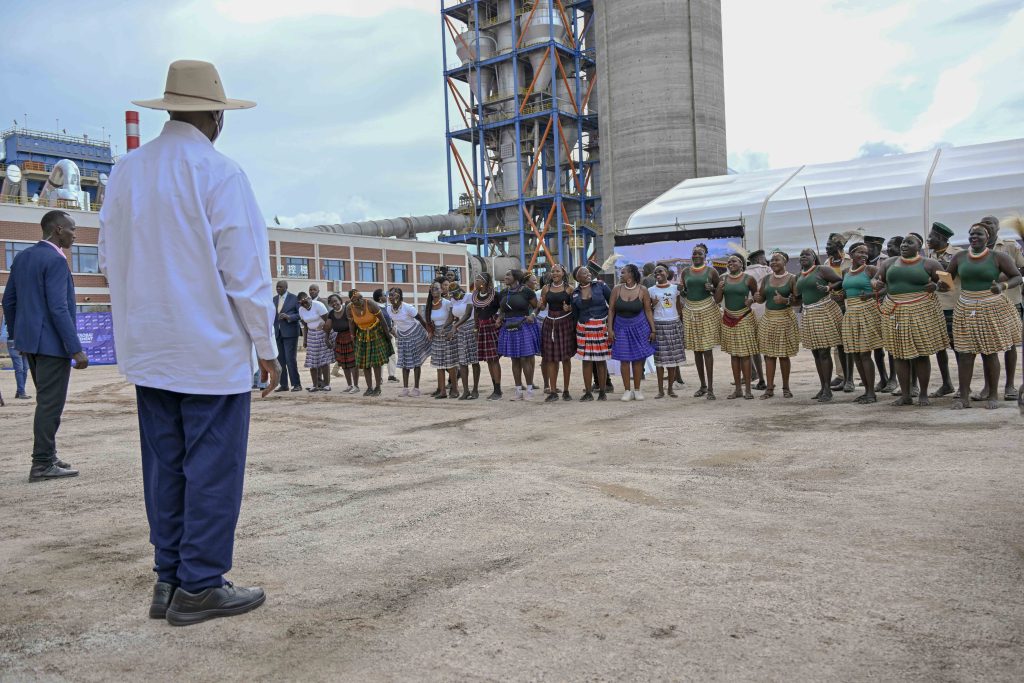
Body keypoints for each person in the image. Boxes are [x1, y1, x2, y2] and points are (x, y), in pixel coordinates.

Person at [98, 60, 279, 625]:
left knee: (165, 467)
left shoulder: (125, 172)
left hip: (150, 351)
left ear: (170, 109)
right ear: (217, 117)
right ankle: (200, 585)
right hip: (209, 352)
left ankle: (168, 579)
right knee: (212, 469)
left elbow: (106, 259)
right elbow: (245, 270)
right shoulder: (219, 172)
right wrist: (266, 346)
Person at [2, 209, 89, 481]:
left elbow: (9, 301)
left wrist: (19, 336)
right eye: (72, 229)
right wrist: (75, 347)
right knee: (50, 405)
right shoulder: (55, 260)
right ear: (58, 229)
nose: (76, 234)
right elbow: (59, 307)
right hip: (52, 346)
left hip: (31, 345)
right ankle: (41, 463)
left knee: (45, 401)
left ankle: (48, 456)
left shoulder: (24, 257)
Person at [942, 223, 1023, 410]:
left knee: (989, 352)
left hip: (990, 305)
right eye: (971, 234)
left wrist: (1002, 287)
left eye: (978, 234)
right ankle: (963, 397)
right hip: (965, 307)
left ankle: (993, 395)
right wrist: (942, 285)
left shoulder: (998, 256)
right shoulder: (960, 257)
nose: (974, 237)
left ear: (988, 238)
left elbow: (1016, 276)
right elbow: (948, 278)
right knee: (965, 354)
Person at [873, 233, 947, 406]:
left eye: (909, 242)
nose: (904, 245)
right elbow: (876, 279)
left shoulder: (929, 263)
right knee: (899, 354)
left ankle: (923, 394)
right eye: (903, 243)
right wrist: (876, 284)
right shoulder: (889, 263)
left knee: (921, 354)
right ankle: (905, 394)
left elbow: (946, 285)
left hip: (920, 310)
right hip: (894, 311)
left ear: (919, 246)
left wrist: (936, 286)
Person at [974, 216, 1024, 402]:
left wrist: (1001, 276)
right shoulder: (976, 249)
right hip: (985, 303)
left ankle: (1010, 385)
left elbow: (1021, 269)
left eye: (990, 223)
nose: (987, 226)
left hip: (1009, 300)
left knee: (1010, 344)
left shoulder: (1009, 245)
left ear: (997, 228)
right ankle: (988, 386)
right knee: (988, 345)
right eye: (983, 223)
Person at [834, 243, 882, 404]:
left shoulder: (871, 270)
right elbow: (846, 292)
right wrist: (841, 297)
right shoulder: (846, 272)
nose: (864, 255)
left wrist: (870, 295)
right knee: (855, 353)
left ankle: (871, 393)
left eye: (866, 253)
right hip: (851, 312)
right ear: (851, 254)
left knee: (864, 353)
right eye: (860, 252)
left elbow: (885, 288)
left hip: (867, 312)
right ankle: (867, 391)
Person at [793, 248, 844, 402]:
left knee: (823, 351)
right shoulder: (798, 276)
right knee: (816, 352)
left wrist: (829, 288)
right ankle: (823, 387)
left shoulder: (822, 270)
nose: (803, 256)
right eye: (801, 255)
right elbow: (799, 297)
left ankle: (828, 390)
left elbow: (840, 281)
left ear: (814, 258)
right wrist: (788, 300)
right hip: (808, 313)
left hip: (824, 310)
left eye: (807, 254)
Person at [607, 263, 656, 401]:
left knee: (638, 360)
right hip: (621, 327)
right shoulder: (616, 289)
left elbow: (647, 310)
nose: (620, 275)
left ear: (631, 275)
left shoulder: (642, 290)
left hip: (640, 327)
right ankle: (627, 390)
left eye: (623, 272)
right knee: (624, 359)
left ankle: (637, 389)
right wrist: (609, 329)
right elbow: (611, 310)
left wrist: (653, 329)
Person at [754, 251, 799, 399]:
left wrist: (785, 301)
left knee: (784, 355)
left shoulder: (792, 278)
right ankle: (769, 388)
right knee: (769, 355)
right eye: (771, 260)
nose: (773, 263)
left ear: (785, 262)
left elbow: (798, 301)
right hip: (769, 319)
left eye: (776, 260)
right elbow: (761, 298)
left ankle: (786, 387)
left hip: (785, 319)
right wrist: (757, 297)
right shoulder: (766, 279)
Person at [715, 254, 759, 400]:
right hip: (728, 318)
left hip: (744, 317)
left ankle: (748, 390)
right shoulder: (723, 279)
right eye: (728, 262)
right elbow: (717, 300)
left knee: (745, 355)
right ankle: (738, 390)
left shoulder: (748, 279)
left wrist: (751, 300)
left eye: (733, 261)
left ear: (741, 263)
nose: (730, 263)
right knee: (734, 355)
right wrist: (719, 289)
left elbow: (757, 295)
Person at [680, 244, 721, 400]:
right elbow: (685, 292)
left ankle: (710, 388)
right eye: (694, 253)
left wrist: (712, 288)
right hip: (691, 311)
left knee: (707, 350)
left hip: (707, 310)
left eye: (700, 253)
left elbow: (719, 291)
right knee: (697, 350)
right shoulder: (685, 272)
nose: (696, 255)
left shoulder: (712, 271)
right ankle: (702, 386)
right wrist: (682, 291)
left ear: (705, 256)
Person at [926, 222, 961, 397]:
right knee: (939, 348)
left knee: (958, 347)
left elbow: (951, 281)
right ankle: (947, 383)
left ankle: (964, 385)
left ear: (941, 238)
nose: (928, 240)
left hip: (952, 307)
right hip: (933, 308)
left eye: (931, 237)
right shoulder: (927, 256)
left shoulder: (958, 254)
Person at [496, 269, 540, 401]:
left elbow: (537, 307)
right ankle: (518, 391)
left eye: (508, 275)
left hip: (523, 325)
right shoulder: (504, 292)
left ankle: (530, 391)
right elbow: (503, 310)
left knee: (525, 358)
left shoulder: (526, 291)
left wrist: (532, 315)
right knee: (514, 359)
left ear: (516, 278)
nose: (505, 277)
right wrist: (499, 319)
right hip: (508, 326)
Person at [572, 265, 612, 401]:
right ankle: (588, 392)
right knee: (586, 361)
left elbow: (612, 304)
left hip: (601, 326)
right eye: (584, 273)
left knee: (601, 360)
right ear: (578, 278)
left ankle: (602, 392)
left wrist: (611, 326)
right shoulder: (575, 293)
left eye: (588, 272)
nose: (588, 274)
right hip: (583, 328)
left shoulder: (601, 286)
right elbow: (575, 314)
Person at [539, 263, 576, 402]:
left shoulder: (569, 289)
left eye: (557, 271)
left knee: (566, 358)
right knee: (550, 358)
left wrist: (570, 308)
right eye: (553, 271)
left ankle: (566, 391)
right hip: (550, 324)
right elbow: (543, 306)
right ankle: (553, 391)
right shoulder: (545, 288)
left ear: (563, 273)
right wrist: (540, 305)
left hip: (565, 324)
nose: (554, 273)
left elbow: (575, 307)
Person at [346, 289, 393, 396]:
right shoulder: (349, 308)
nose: (358, 302)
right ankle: (369, 388)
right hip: (361, 335)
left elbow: (382, 320)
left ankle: (378, 387)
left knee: (376, 362)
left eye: (359, 300)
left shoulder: (370, 303)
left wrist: (387, 335)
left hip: (376, 332)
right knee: (365, 363)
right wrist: (352, 336)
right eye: (355, 301)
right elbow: (351, 324)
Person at [648, 265, 686, 398]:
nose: (658, 273)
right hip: (658, 325)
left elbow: (679, 308)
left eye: (660, 271)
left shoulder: (675, 289)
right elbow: (648, 311)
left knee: (672, 360)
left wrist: (681, 324)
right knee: (659, 360)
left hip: (674, 324)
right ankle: (660, 390)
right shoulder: (650, 290)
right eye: (655, 272)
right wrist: (652, 304)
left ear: (667, 273)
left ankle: (670, 389)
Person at [387, 288, 430, 397]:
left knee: (416, 362)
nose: (391, 297)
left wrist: (430, 333)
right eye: (389, 295)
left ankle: (416, 388)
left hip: (415, 334)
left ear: (399, 296)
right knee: (404, 362)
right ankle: (405, 388)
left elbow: (421, 319)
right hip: (402, 337)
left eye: (393, 295)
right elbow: (390, 323)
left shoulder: (407, 308)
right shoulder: (388, 309)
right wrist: (393, 332)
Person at [471, 273, 503, 400]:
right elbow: (476, 313)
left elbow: (503, 309)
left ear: (484, 282)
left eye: (478, 279)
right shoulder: (476, 296)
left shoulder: (495, 295)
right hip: (482, 328)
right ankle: (495, 388)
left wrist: (499, 319)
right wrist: (475, 328)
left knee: (494, 359)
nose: (476, 281)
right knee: (489, 360)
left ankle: (498, 390)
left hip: (493, 327)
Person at [744, 249, 771, 391]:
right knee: (768, 348)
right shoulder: (768, 270)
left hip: (751, 311)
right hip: (767, 311)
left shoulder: (745, 274)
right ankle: (769, 380)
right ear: (759, 260)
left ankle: (761, 379)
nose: (765, 260)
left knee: (755, 349)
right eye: (763, 258)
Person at [426, 280, 458, 398]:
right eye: (433, 288)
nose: (435, 290)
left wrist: (445, 328)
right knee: (439, 364)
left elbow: (452, 317)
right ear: (430, 290)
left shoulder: (446, 303)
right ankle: (442, 391)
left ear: (441, 290)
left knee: (450, 364)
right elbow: (430, 321)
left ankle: (455, 390)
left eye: (437, 288)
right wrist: (430, 331)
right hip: (436, 337)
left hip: (448, 334)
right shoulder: (429, 305)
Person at [450, 284, 481, 399]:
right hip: (460, 331)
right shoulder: (453, 300)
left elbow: (468, 314)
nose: (454, 295)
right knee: (462, 361)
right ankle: (466, 390)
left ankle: (475, 389)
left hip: (472, 328)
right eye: (451, 293)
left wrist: (455, 326)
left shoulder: (469, 296)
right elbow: (452, 317)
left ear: (460, 290)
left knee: (474, 360)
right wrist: (446, 327)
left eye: (455, 292)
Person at [324, 294, 360, 393]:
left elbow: (354, 323)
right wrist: (326, 339)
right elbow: (327, 327)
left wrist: (355, 337)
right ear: (330, 304)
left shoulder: (347, 310)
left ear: (340, 300)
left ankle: (356, 386)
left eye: (336, 301)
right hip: (339, 338)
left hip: (351, 337)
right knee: (344, 363)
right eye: (332, 302)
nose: (334, 303)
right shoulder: (331, 314)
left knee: (353, 363)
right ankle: (349, 385)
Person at [297, 292, 332, 392]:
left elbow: (328, 321)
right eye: (302, 303)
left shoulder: (319, 305)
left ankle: (326, 385)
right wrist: (305, 340)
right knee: (312, 361)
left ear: (309, 298)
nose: (304, 304)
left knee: (324, 360)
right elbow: (304, 326)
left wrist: (327, 337)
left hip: (322, 332)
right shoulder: (301, 310)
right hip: (311, 335)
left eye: (305, 302)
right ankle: (315, 385)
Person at [273, 281, 302, 392]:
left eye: (280, 287)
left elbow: (300, 314)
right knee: (280, 360)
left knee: (290, 359)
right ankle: (284, 385)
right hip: (277, 333)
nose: (278, 289)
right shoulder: (274, 299)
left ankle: (296, 384)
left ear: (286, 287)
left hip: (290, 333)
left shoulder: (294, 298)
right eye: (277, 287)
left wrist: (289, 317)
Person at [1, 314, 31, 400]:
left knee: (25, 368)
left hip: (25, 342)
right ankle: (21, 392)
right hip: (13, 342)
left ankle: (20, 391)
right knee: (20, 368)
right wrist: (2, 340)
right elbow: (4, 328)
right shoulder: (8, 313)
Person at [373, 289, 399, 383]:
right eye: (384, 295)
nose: (386, 296)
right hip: (382, 335)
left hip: (386, 335)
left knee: (390, 355)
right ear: (380, 298)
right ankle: (380, 377)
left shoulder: (385, 307)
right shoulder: (377, 308)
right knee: (383, 357)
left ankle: (390, 376)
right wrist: (391, 332)